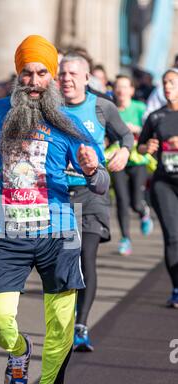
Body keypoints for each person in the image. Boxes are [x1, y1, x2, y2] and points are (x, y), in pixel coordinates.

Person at [0, 35, 110, 384]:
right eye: (26, 72)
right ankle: (19, 349)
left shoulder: (70, 123)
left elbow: (101, 185)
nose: (33, 80)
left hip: (59, 233)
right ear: (17, 75)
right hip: (8, 232)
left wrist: (94, 168)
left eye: (42, 72)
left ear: (52, 77)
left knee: (61, 327)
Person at [59, 55, 134, 351]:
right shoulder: (48, 108)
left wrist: (125, 151)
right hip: (59, 197)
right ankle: (64, 319)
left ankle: (81, 324)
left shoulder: (102, 106)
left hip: (92, 192)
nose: (66, 78)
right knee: (65, 261)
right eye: (62, 73)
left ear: (86, 78)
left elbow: (125, 135)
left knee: (85, 256)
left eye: (73, 73)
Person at [138, 68, 178, 309]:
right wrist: (147, 147)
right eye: (164, 83)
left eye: (172, 82)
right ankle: (176, 288)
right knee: (173, 236)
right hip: (164, 182)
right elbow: (141, 146)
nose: (167, 87)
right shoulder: (156, 116)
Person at [111, 75, 154, 256]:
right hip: (117, 158)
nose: (121, 91)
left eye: (125, 87)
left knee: (136, 202)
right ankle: (125, 239)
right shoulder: (110, 109)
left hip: (137, 158)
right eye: (118, 87)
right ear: (114, 90)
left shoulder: (140, 108)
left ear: (131, 90)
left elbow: (150, 129)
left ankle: (143, 211)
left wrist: (134, 129)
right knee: (122, 199)